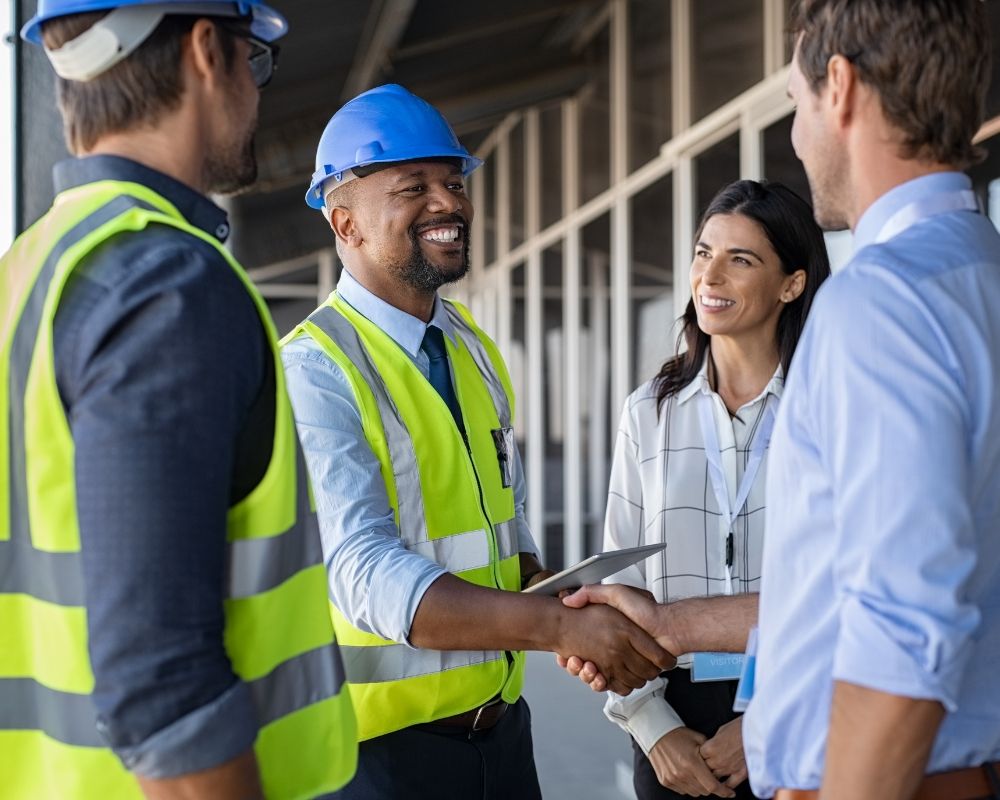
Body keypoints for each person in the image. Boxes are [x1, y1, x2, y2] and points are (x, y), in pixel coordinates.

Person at [566, 1, 1000, 799]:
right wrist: (673, 629)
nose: (799, 136)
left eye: (795, 104)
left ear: (838, 87)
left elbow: (900, 625)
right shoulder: (979, 273)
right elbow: (842, 586)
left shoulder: (881, 303)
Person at [0, 2, 356, 798]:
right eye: (253, 62)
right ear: (205, 50)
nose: (257, 96)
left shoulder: (28, 270)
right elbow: (164, 693)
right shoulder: (165, 284)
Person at [281, 83, 673, 800]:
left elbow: (503, 527)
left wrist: (562, 598)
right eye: (413, 188)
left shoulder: (468, 346)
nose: (449, 203)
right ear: (346, 223)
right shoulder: (314, 370)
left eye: (453, 182)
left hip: (501, 738)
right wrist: (554, 629)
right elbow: (363, 574)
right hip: (377, 764)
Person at [593, 180, 828, 800]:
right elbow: (622, 583)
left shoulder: (828, 408)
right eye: (703, 253)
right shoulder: (650, 411)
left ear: (792, 284)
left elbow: (845, 585)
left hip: (802, 704)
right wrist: (652, 726)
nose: (710, 275)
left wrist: (768, 721)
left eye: (739, 259)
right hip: (674, 713)